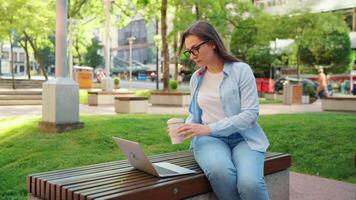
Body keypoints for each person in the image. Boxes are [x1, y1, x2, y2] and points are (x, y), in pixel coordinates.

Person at [174, 21, 270, 200]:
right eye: (189, 51)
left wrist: (209, 128)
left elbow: (250, 114)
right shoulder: (197, 77)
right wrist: (186, 128)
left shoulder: (241, 71)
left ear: (212, 43)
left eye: (195, 48)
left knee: (250, 184)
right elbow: (194, 115)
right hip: (208, 140)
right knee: (221, 172)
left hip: (244, 138)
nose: (192, 56)